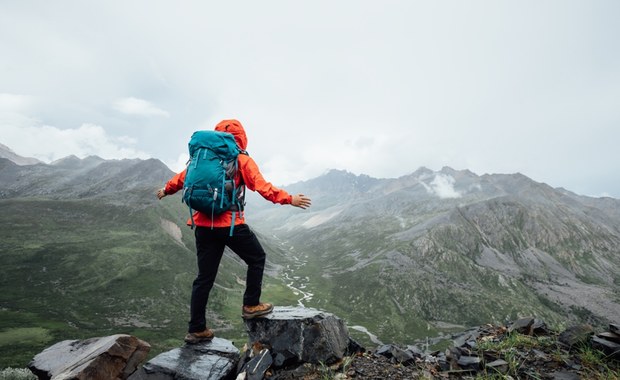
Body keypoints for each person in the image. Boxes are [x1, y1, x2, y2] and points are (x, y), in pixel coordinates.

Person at [157, 119, 311, 344]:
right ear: (242, 137)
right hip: (231, 225)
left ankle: (196, 329)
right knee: (257, 258)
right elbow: (262, 187)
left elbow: (181, 179)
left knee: (204, 278)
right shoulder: (241, 159)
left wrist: (165, 190)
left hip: (203, 226)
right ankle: (250, 304)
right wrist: (290, 199)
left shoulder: (202, 158)